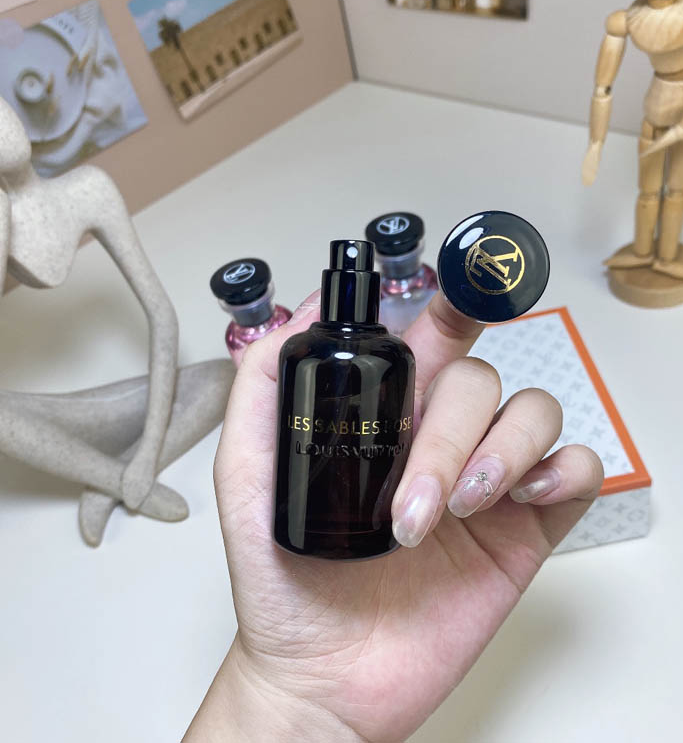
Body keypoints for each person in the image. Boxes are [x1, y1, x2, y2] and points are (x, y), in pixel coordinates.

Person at [184, 290, 604, 742]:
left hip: (417, 563)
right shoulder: (304, 356)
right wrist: (291, 692)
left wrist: (298, 701)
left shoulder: (385, 360)